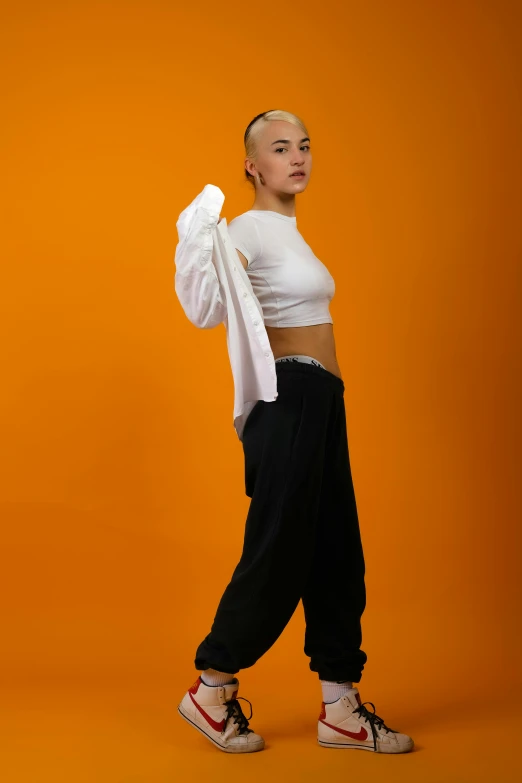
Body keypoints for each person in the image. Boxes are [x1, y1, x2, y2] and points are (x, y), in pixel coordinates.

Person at [177, 110, 414, 755]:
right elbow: (204, 303)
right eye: (280, 149)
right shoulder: (249, 227)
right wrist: (204, 234)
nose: (297, 157)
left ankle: (340, 706)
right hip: (290, 400)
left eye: (304, 146)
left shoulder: (287, 230)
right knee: (281, 546)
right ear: (253, 165)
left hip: (321, 400)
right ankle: (212, 686)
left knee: (337, 549)